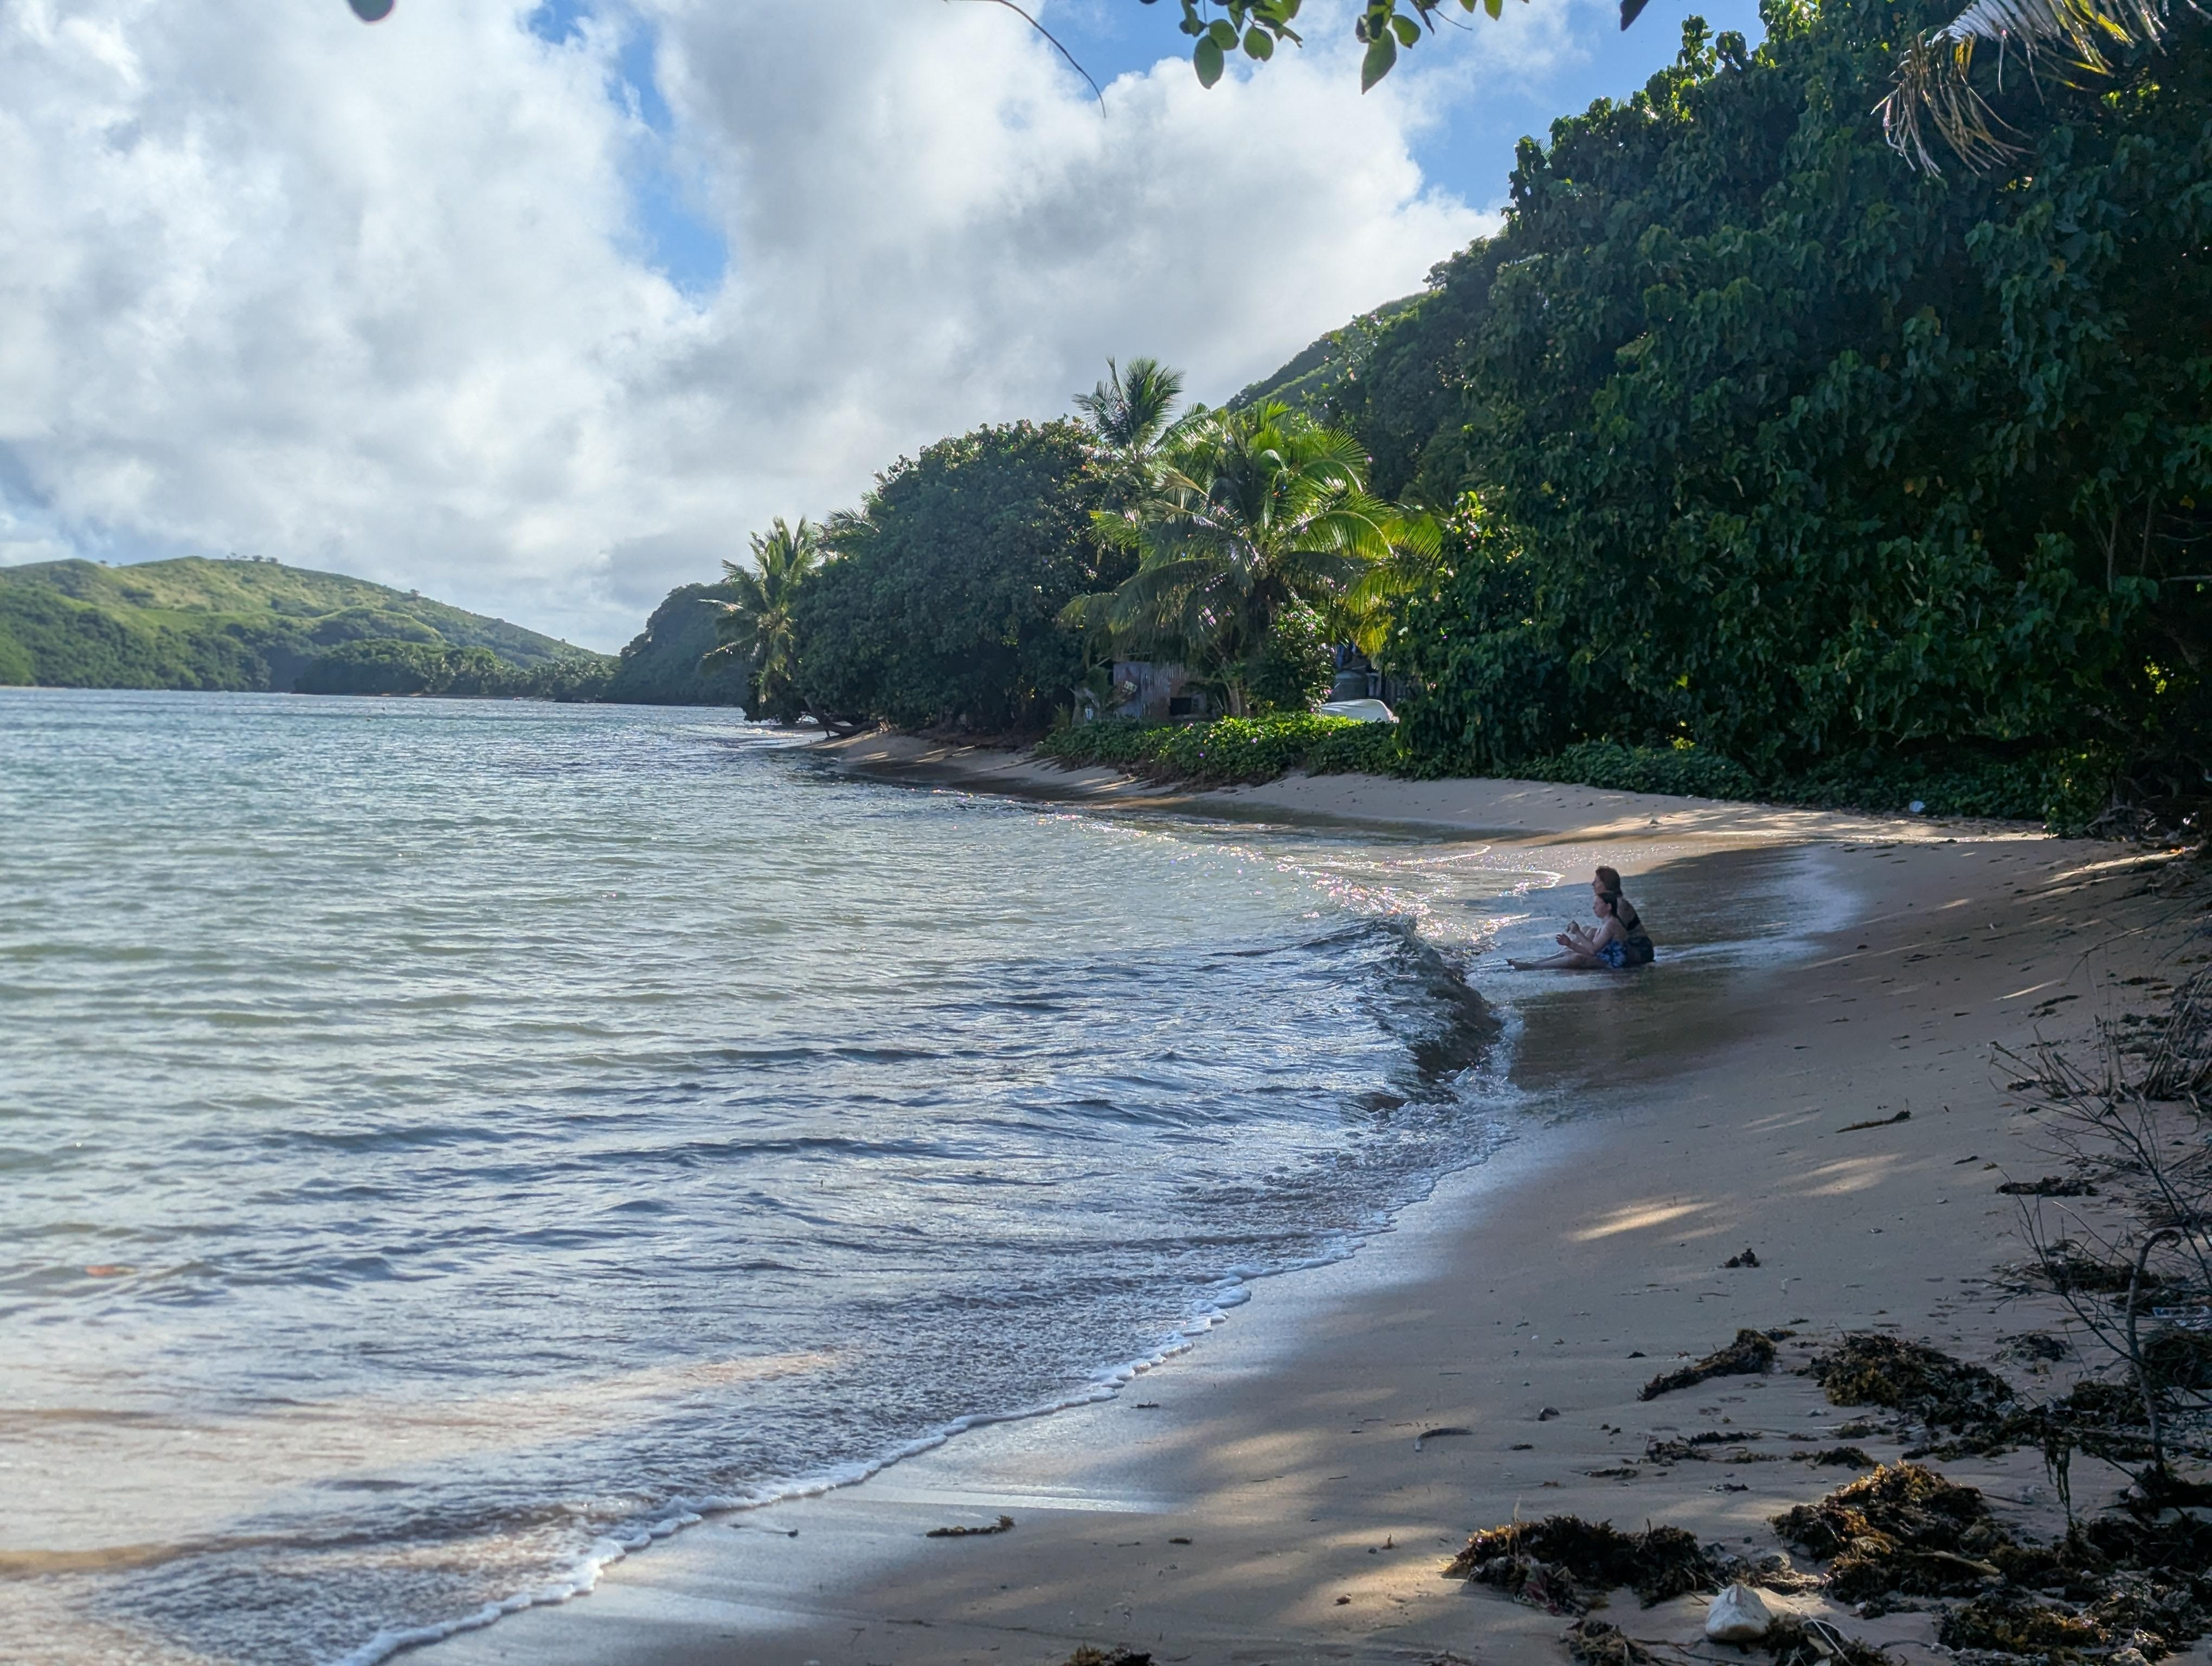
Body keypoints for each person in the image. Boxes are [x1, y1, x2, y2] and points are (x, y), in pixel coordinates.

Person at [1509, 866, 1656, 971]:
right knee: (1588, 932)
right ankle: (1537, 963)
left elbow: (1617, 938)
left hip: (1638, 951)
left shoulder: (1619, 905)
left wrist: (1578, 942)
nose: (1593, 884)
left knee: (1580, 951)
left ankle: (1537, 966)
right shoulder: (1612, 903)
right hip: (1620, 947)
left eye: (1597, 881)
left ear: (1606, 885)